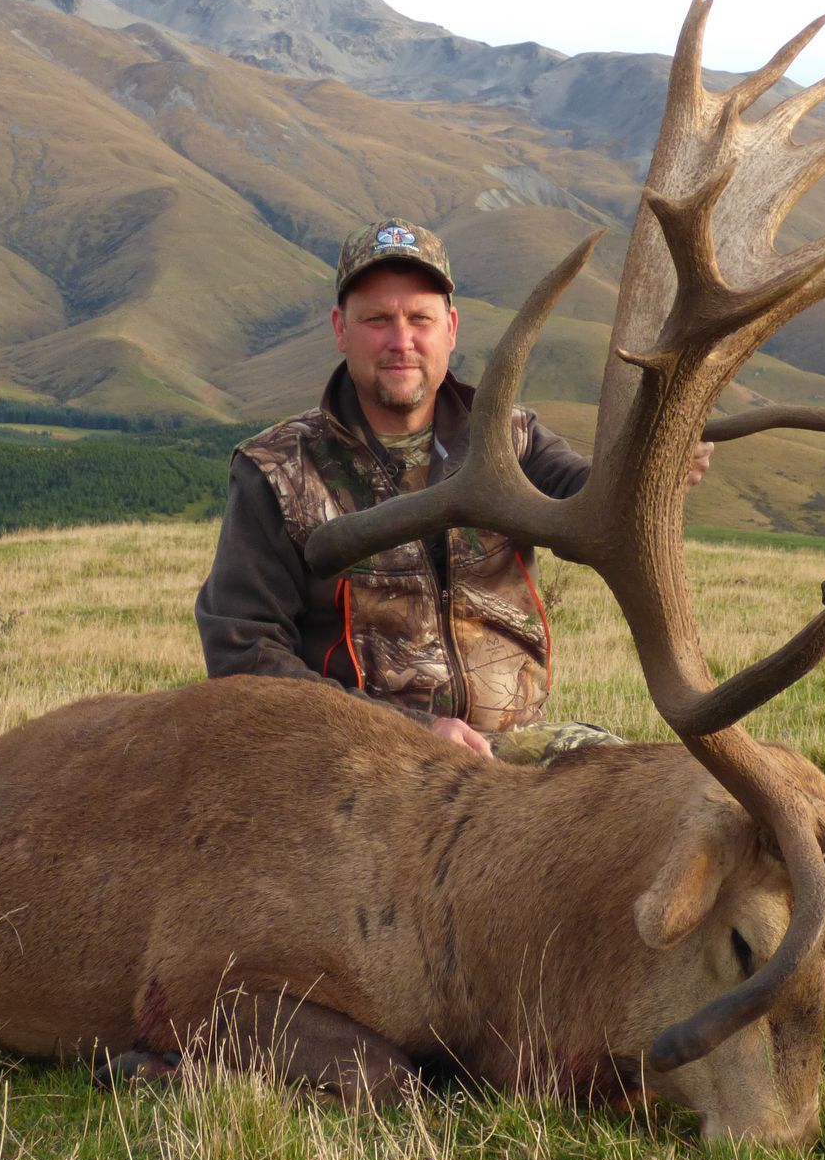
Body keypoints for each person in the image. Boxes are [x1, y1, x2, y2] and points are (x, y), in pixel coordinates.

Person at [197, 218, 711, 758]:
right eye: (377, 320)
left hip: (511, 755)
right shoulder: (276, 469)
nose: (401, 341)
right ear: (340, 329)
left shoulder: (515, 438)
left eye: (420, 318)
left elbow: (596, 506)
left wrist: (651, 470)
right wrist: (405, 729)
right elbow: (243, 651)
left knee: (649, 789)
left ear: (451, 327)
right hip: (358, 760)